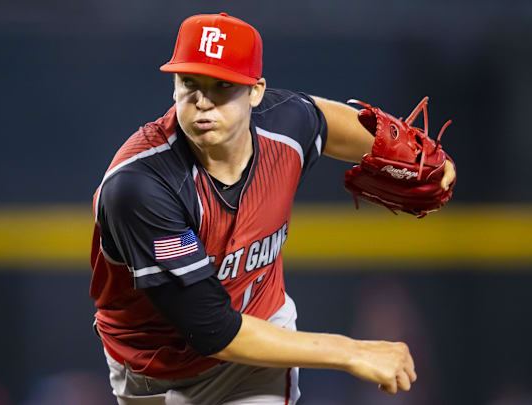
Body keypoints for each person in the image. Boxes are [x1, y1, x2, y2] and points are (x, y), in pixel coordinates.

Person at [89, 12, 456, 405]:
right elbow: (212, 330)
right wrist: (353, 352)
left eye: (222, 86)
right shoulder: (141, 187)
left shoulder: (284, 126)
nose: (202, 103)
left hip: (256, 352)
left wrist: (422, 158)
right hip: (153, 372)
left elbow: (321, 118)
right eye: (190, 84)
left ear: (256, 91)